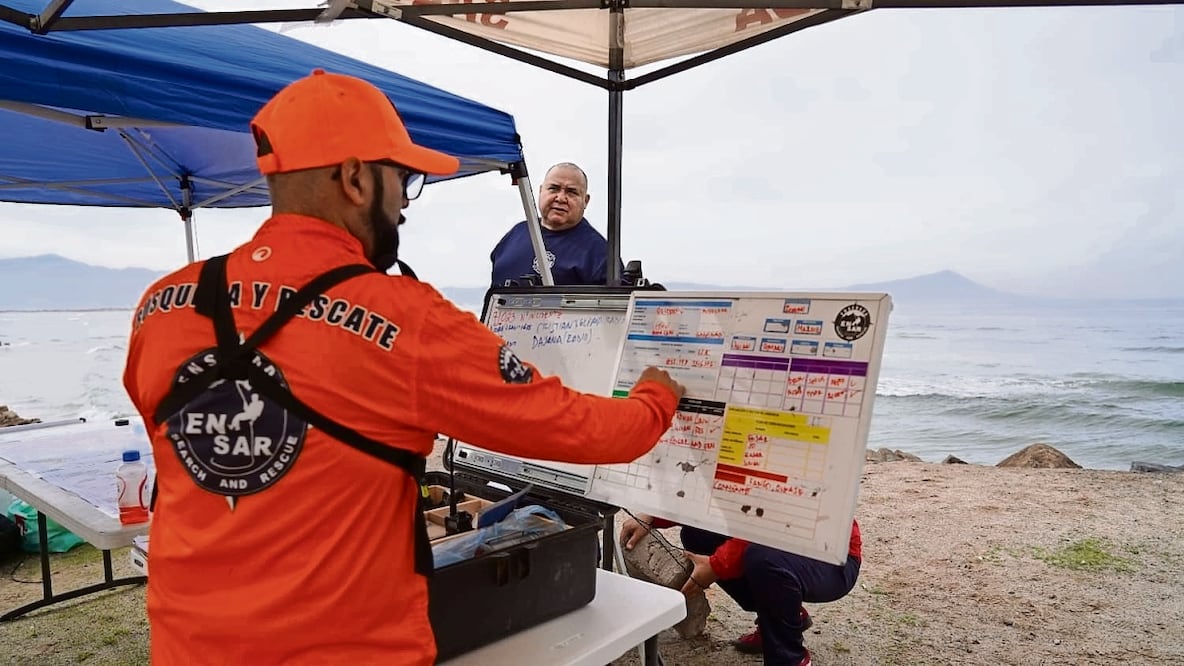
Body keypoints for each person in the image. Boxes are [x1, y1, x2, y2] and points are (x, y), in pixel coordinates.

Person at [122, 69, 686, 665]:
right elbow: (588, 430)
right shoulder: (408, 321)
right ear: (356, 178)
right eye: (404, 180)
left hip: (187, 647)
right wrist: (655, 393)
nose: (405, 205)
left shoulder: (161, 305)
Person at [620, 514, 862, 666]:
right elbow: (704, 497)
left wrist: (717, 566)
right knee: (697, 534)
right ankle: (786, 617)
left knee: (763, 559)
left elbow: (776, 520)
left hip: (832, 557)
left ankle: (791, 659)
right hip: (778, 544)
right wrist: (652, 517)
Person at [489, 162, 624, 286]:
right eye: (553, 188)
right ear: (541, 191)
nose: (560, 198)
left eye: (571, 192)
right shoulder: (514, 235)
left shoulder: (600, 255)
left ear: (585, 201)